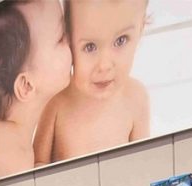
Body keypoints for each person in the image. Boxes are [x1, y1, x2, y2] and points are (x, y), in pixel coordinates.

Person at [34, 0, 150, 165]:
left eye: (121, 40)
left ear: (141, 30)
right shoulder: (55, 102)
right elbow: (37, 167)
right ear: (68, 41)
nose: (104, 66)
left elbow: (144, 163)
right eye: (90, 47)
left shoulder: (136, 97)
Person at [0, 0, 72, 178]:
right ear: (26, 86)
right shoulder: (10, 155)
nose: (70, 39)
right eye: (61, 38)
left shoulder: (12, 138)